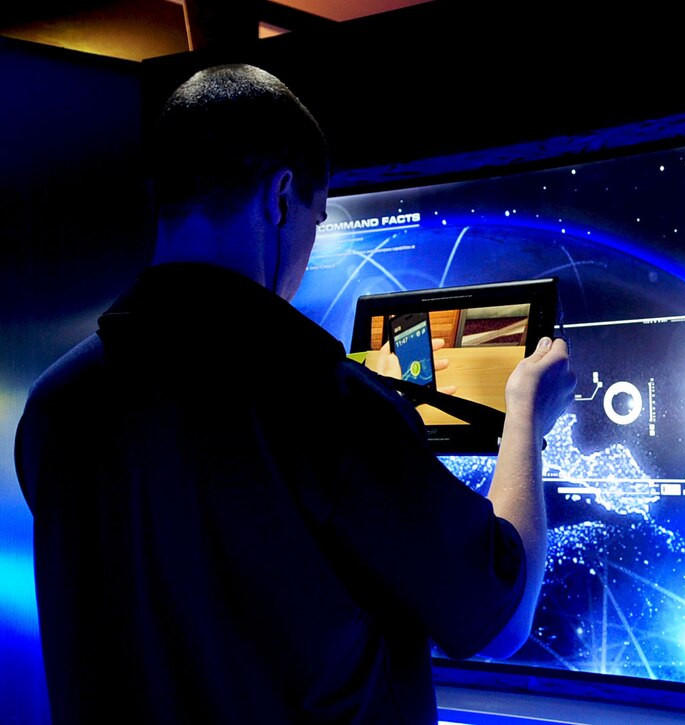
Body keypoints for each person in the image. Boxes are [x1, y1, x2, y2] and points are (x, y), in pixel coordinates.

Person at [14, 64, 575, 724]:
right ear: (281, 197)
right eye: (316, 216)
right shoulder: (322, 403)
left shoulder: (55, 409)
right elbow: (500, 619)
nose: (308, 243)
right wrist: (526, 413)